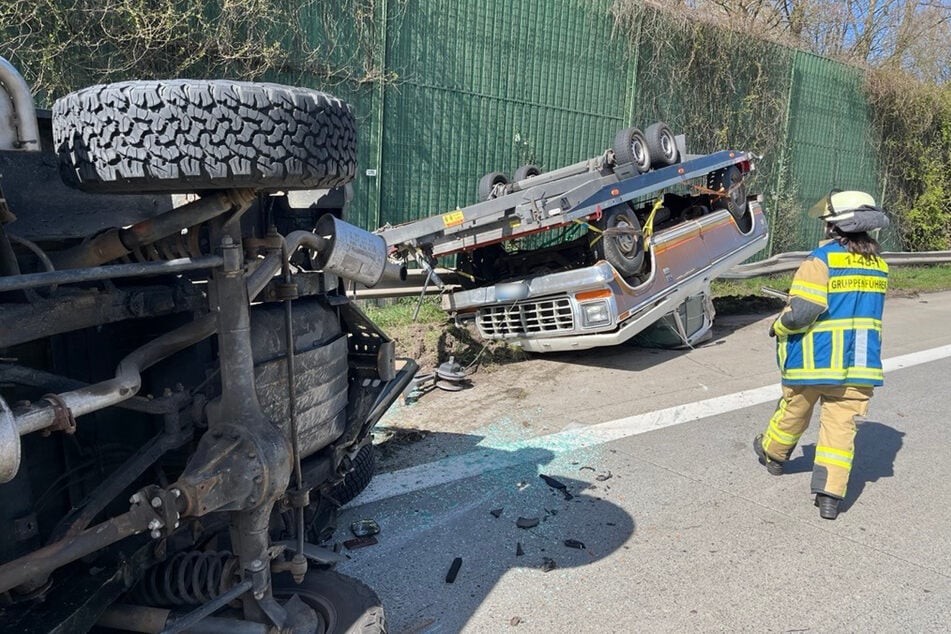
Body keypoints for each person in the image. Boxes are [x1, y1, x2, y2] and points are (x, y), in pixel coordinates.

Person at [753, 190, 890, 520]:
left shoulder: (821, 261)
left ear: (834, 227)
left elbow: (802, 312)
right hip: (858, 365)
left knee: (794, 411)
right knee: (840, 430)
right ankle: (829, 496)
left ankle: (773, 455)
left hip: (814, 362)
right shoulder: (879, 266)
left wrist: (778, 326)